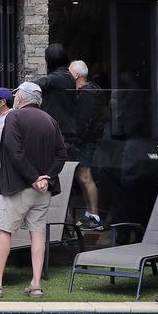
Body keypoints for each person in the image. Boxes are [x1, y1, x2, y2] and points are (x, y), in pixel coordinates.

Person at [0, 81, 66, 298]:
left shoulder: (14, 117)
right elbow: (61, 154)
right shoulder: (50, 120)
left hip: (17, 187)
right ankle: (36, 284)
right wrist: (45, 178)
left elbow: (14, 150)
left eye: (17, 96)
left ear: (22, 98)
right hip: (43, 191)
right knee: (38, 233)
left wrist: (33, 178)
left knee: (4, 231)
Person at [70, 59, 106, 231]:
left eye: (69, 72)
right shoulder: (92, 90)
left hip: (86, 141)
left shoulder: (87, 94)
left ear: (76, 75)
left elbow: (85, 120)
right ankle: (89, 214)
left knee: (85, 176)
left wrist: (78, 141)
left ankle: (94, 215)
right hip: (88, 139)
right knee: (82, 176)